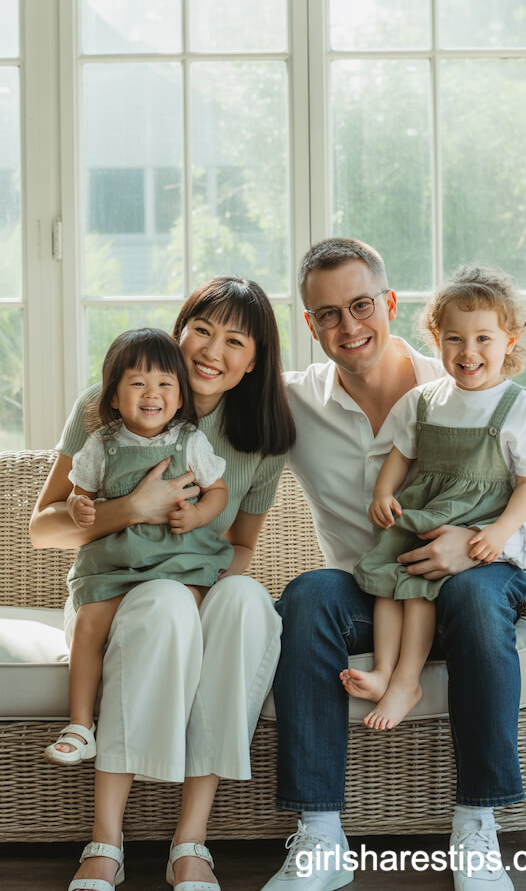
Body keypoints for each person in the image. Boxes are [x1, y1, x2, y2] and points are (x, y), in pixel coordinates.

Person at [263, 240, 526, 891]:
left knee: (476, 600)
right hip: (369, 589)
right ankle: (320, 839)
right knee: (309, 594)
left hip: (468, 584)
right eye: (327, 314)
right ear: (310, 324)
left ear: (391, 305)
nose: (348, 327)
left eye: (361, 305)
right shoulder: (293, 403)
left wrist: (477, 541)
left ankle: (477, 827)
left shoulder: (462, 378)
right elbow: (207, 398)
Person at [30, 278, 296, 891]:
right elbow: (44, 529)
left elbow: (243, 545)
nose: (212, 350)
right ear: (179, 333)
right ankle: (105, 838)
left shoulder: (259, 434)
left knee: (250, 603)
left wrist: (206, 587)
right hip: (111, 594)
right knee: (168, 604)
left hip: (195, 586)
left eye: (235, 341)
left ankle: (191, 841)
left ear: (255, 361)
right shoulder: (115, 401)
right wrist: (135, 507)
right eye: (201, 330)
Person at [343, 268, 526, 733]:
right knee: (390, 580)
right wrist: (384, 493)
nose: (468, 352)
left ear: (511, 338)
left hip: (480, 527)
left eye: (484, 338)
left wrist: (500, 532)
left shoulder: (522, 408)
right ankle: (385, 669)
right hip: (427, 516)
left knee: (421, 587)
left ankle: (407, 680)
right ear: (435, 337)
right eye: (454, 338)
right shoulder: (424, 401)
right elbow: (401, 455)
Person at [44, 327, 232, 766]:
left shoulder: (190, 442)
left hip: (174, 563)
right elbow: (78, 493)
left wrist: (199, 515)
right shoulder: (100, 445)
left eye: (165, 384)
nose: (153, 394)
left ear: (181, 397)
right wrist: (79, 509)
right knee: (90, 623)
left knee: (174, 612)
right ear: (113, 397)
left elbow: (218, 491)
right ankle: (80, 725)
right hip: (115, 565)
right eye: (138, 383)